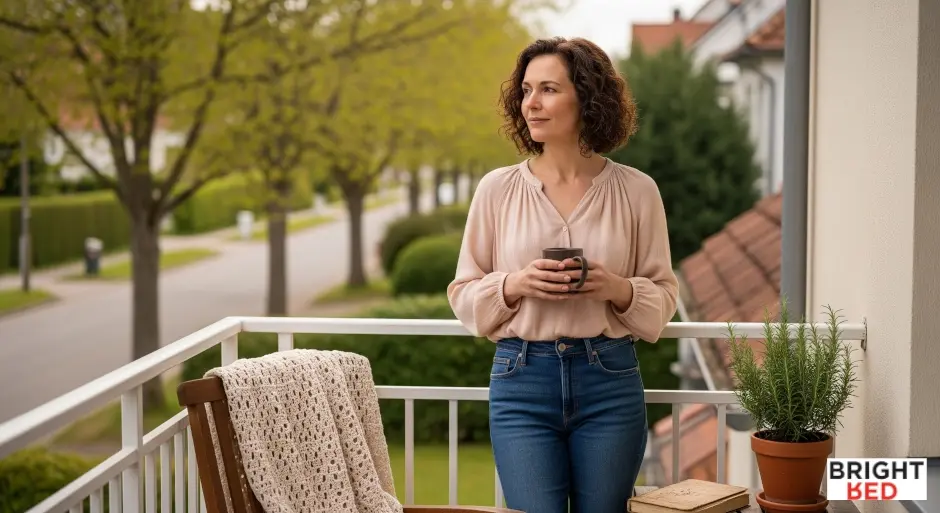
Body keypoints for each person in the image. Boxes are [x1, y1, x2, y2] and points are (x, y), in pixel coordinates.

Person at [446, 37, 679, 513]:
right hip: (521, 378)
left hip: (609, 378)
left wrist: (617, 289)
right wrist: (515, 284)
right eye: (527, 90)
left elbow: (664, 298)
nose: (531, 102)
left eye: (548, 89)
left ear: (587, 98)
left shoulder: (637, 191)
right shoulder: (496, 190)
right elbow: (462, 294)